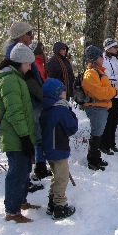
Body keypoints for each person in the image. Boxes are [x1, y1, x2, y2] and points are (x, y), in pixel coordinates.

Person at [0, 43, 39, 223]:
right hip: (15, 136)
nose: (30, 67)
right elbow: (14, 112)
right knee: (17, 172)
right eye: (28, 64)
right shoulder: (10, 81)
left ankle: (21, 201)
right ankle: (12, 211)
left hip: (21, 135)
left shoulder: (17, 78)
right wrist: (24, 137)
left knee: (24, 170)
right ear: (20, 63)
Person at [2, 21, 48, 191]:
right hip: (27, 102)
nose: (32, 37)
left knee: (33, 136)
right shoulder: (16, 54)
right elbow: (28, 79)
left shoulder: (20, 50)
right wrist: (41, 95)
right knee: (29, 139)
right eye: (29, 34)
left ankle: (28, 178)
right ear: (20, 36)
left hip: (31, 100)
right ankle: (25, 181)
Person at [39, 78, 78, 220]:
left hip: (48, 148)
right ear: (56, 93)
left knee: (57, 174)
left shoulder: (45, 108)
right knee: (62, 177)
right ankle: (59, 206)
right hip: (59, 147)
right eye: (62, 90)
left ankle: (52, 201)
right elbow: (72, 127)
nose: (65, 92)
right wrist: (72, 114)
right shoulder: (61, 109)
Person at [82, 45, 118, 170]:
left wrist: (110, 90)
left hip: (101, 107)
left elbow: (103, 90)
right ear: (94, 58)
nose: (103, 58)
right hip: (96, 107)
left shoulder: (98, 71)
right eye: (100, 56)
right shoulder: (91, 73)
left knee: (98, 133)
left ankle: (95, 157)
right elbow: (100, 92)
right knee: (96, 134)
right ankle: (92, 160)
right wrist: (113, 91)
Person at [99, 38, 118, 155]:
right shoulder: (104, 60)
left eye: (117, 47)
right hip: (108, 93)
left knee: (115, 119)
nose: (116, 49)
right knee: (109, 119)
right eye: (114, 47)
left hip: (117, 93)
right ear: (108, 48)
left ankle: (111, 143)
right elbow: (106, 77)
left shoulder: (116, 60)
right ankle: (104, 144)